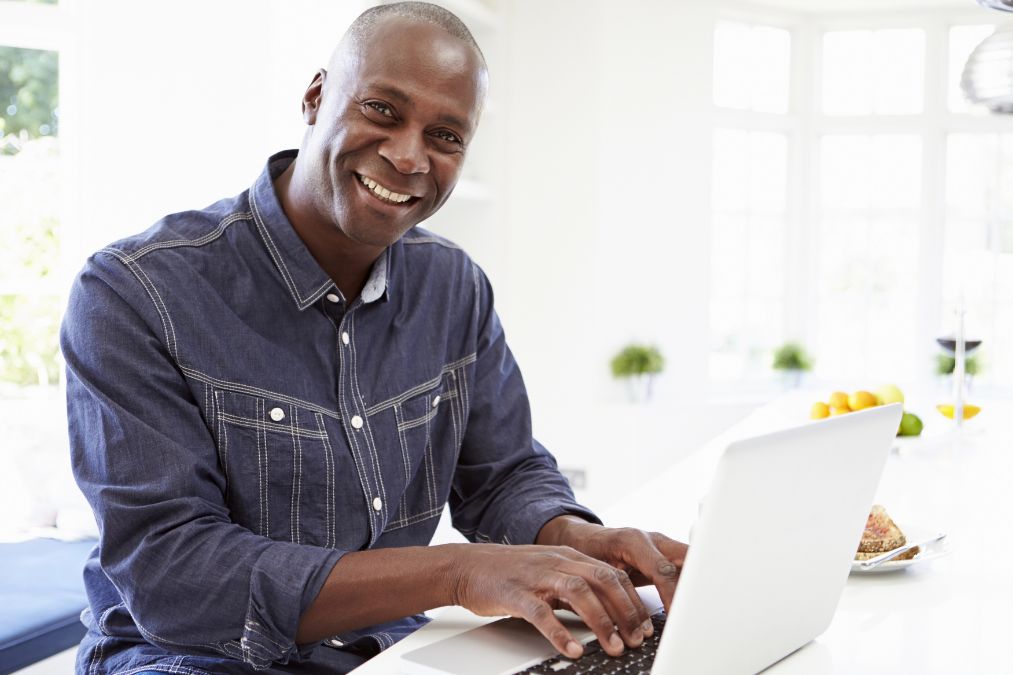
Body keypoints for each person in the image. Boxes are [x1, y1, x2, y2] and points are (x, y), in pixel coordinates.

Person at [61, 3, 687, 673]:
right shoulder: (133, 291)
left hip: (387, 649)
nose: (409, 155)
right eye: (383, 111)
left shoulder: (454, 286)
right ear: (315, 96)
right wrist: (458, 572)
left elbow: (502, 475)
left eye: (445, 135)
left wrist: (579, 543)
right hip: (189, 659)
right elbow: (178, 577)